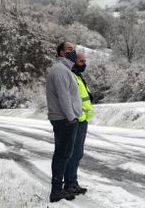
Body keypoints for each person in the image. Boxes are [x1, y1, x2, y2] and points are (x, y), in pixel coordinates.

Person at [45, 42, 82, 203]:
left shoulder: (64, 69)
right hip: (64, 119)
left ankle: (58, 189)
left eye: (73, 49)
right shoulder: (60, 70)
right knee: (62, 154)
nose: (73, 51)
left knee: (63, 153)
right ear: (61, 53)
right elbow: (64, 96)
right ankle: (56, 190)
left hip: (64, 118)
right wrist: (71, 117)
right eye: (69, 49)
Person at [64, 51, 94, 195]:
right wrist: (73, 117)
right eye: (81, 62)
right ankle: (69, 184)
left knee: (77, 153)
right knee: (72, 153)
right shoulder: (70, 76)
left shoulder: (78, 76)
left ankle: (73, 182)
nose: (84, 64)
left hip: (82, 120)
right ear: (74, 62)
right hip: (75, 119)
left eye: (85, 61)